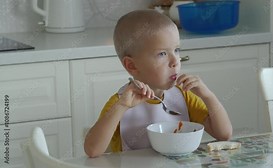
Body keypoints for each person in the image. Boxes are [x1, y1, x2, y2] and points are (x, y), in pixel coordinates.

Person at [84, 10, 232, 158]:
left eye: (177, 50)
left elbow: (224, 135)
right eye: (162, 54)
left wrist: (208, 96)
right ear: (132, 66)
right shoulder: (121, 101)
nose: (175, 61)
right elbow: (92, 150)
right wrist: (122, 107)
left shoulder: (184, 96)